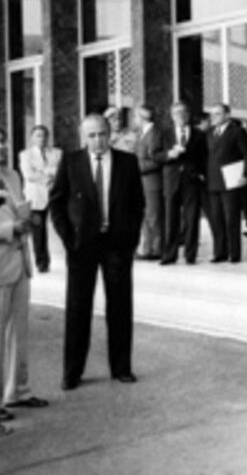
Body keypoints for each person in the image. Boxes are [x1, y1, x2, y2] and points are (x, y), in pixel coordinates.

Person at [49, 114, 144, 390]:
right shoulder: (71, 162)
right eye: (91, 135)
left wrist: (130, 239)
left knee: (120, 307)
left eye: (102, 133)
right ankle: (72, 372)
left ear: (110, 133)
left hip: (117, 245)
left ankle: (122, 368)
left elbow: (138, 204)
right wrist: (70, 239)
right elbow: (57, 203)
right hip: (82, 246)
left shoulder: (127, 162)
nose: (98, 140)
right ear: (84, 137)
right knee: (78, 309)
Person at [1, 128, 48, 433]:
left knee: (19, 330)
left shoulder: (13, 176)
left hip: (20, 261)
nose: (1, 147)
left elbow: (18, 209)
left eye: (3, 141)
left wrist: (29, 220)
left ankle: (17, 390)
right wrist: (10, 229)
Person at [159, 102, 208, 266]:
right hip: (171, 180)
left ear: (188, 115)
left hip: (192, 181)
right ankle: (169, 254)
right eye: (177, 113)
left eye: (183, 112)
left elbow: (205, 156)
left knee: (192, 218)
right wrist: (169, 154)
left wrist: (201, 174)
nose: (180, 115)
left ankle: (190, 255)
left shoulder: (199, 134)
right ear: (172, 116)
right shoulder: (164, 133)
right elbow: (155, 155)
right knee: (170, 218)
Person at [205, 104, 247, 265]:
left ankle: (234, 253)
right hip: (213, 181)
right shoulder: (209, 132)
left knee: (231, 218)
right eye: (212, 114)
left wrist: (245, 175)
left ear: (227, 115)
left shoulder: (237, 131)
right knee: (216, 219)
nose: (213, 117)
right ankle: (220, 252)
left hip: (231, 180)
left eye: (218, 114)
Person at [18, 125, 62, 273]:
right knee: (39, 231)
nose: (41, 138)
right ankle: (42, 263)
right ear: (32, 138)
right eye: (38, 135)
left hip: (55, 195)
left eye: (44, 135)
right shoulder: (25, 155)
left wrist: (42, 172)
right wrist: (49, 175)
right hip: (36, 197)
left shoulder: (57, 153)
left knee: (63, 226)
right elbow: (29, 175)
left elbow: (61, 172)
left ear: (48, 137)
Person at [133, 104, 165, 261]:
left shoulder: (154, 134)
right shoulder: (142, 133)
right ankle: (147, 248)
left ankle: (157, 249)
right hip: (143, 181)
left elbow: (156, 160)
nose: (134, 119)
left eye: (135, 116)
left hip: (152, 182)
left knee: (153, 216)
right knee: (145, 216)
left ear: (142, 118)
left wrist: (135, 167)